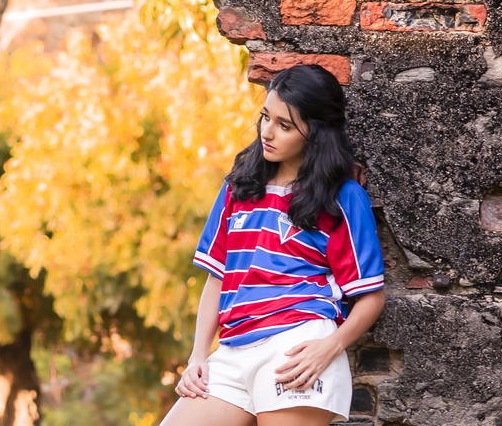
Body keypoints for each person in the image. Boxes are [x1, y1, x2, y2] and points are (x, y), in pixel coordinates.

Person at [161, 64, 386, 426]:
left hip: (297, 347)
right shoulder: (237, 188)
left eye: (285, 125)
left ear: (316, 133)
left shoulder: (343, 198)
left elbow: (371, 296)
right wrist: (198, 355)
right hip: (232, 350)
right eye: (266, 117)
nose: (267, 132)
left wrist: (330, 347)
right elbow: (217, 278)